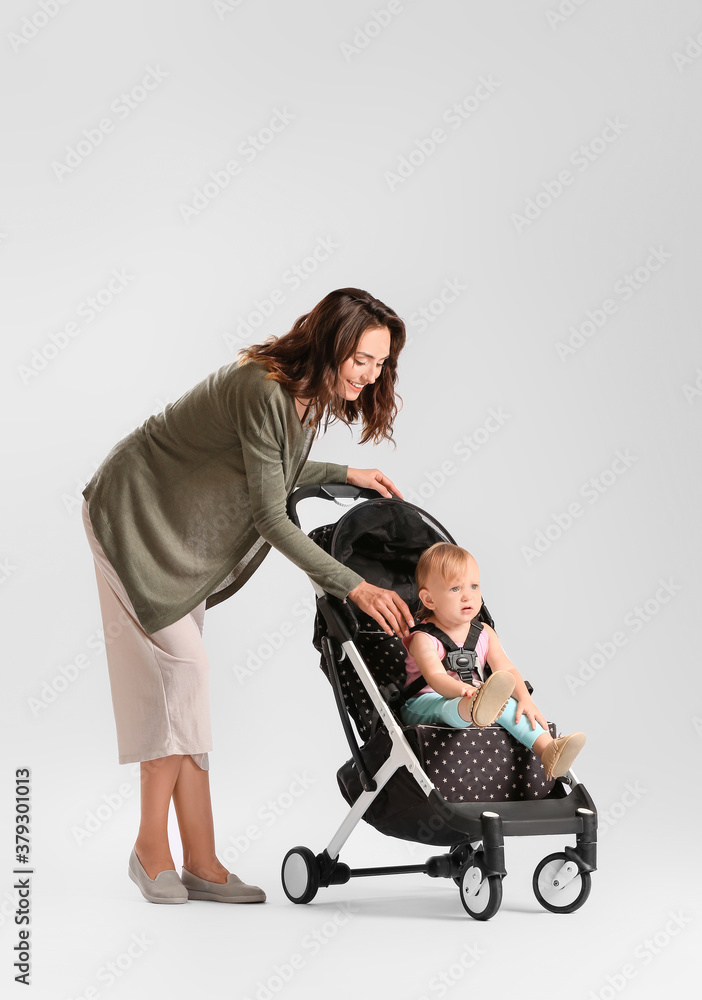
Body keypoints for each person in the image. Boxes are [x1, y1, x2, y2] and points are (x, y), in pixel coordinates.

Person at [81, 287, 415, 905]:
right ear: (330, 341)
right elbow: (270, 513)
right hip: (133, 517)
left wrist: (345, 474)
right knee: (188, 675)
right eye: (362, 360)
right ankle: (151, 849)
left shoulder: (304, 396)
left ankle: (201, 860)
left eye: (379, 365)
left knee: (186, 689)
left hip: (182, 539)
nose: (369, 378)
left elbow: (271, 468)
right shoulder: (263, 387)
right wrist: (356, 586)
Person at [399, 542, 586, 780]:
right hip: (424, 703)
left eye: (474, 586)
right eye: (455, 589)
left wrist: (525, 699)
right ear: (429, 600)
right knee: (453, 704)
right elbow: (436, 678)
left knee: (508, 705)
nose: (468, 595)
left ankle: (548, 750)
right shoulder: (423, 639)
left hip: (477, 697)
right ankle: (474, 707)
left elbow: (506, 668)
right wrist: (465, 691)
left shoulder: (484, 632)